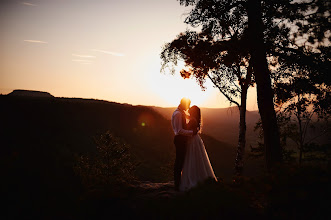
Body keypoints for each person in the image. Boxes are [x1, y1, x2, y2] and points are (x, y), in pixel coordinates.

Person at [179, 105, 217, 192]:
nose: (189, 110)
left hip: (192, 141)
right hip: (195, 140)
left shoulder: (192, 120)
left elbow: (188, 130)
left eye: (191, 109)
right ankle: (199, 177)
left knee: (191, 159)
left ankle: (193, 178)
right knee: (197, 159)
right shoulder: (195, 119)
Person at [171, 98, 197, 191]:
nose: (189, 107)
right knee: (179, 162)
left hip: (180, 140)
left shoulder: (179, 112)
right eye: (188, 105)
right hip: (179, 140)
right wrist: (192, 132)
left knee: (180, 161)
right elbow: (179, 131)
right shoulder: (178, 114)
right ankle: (177, 185)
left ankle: (178, 183)